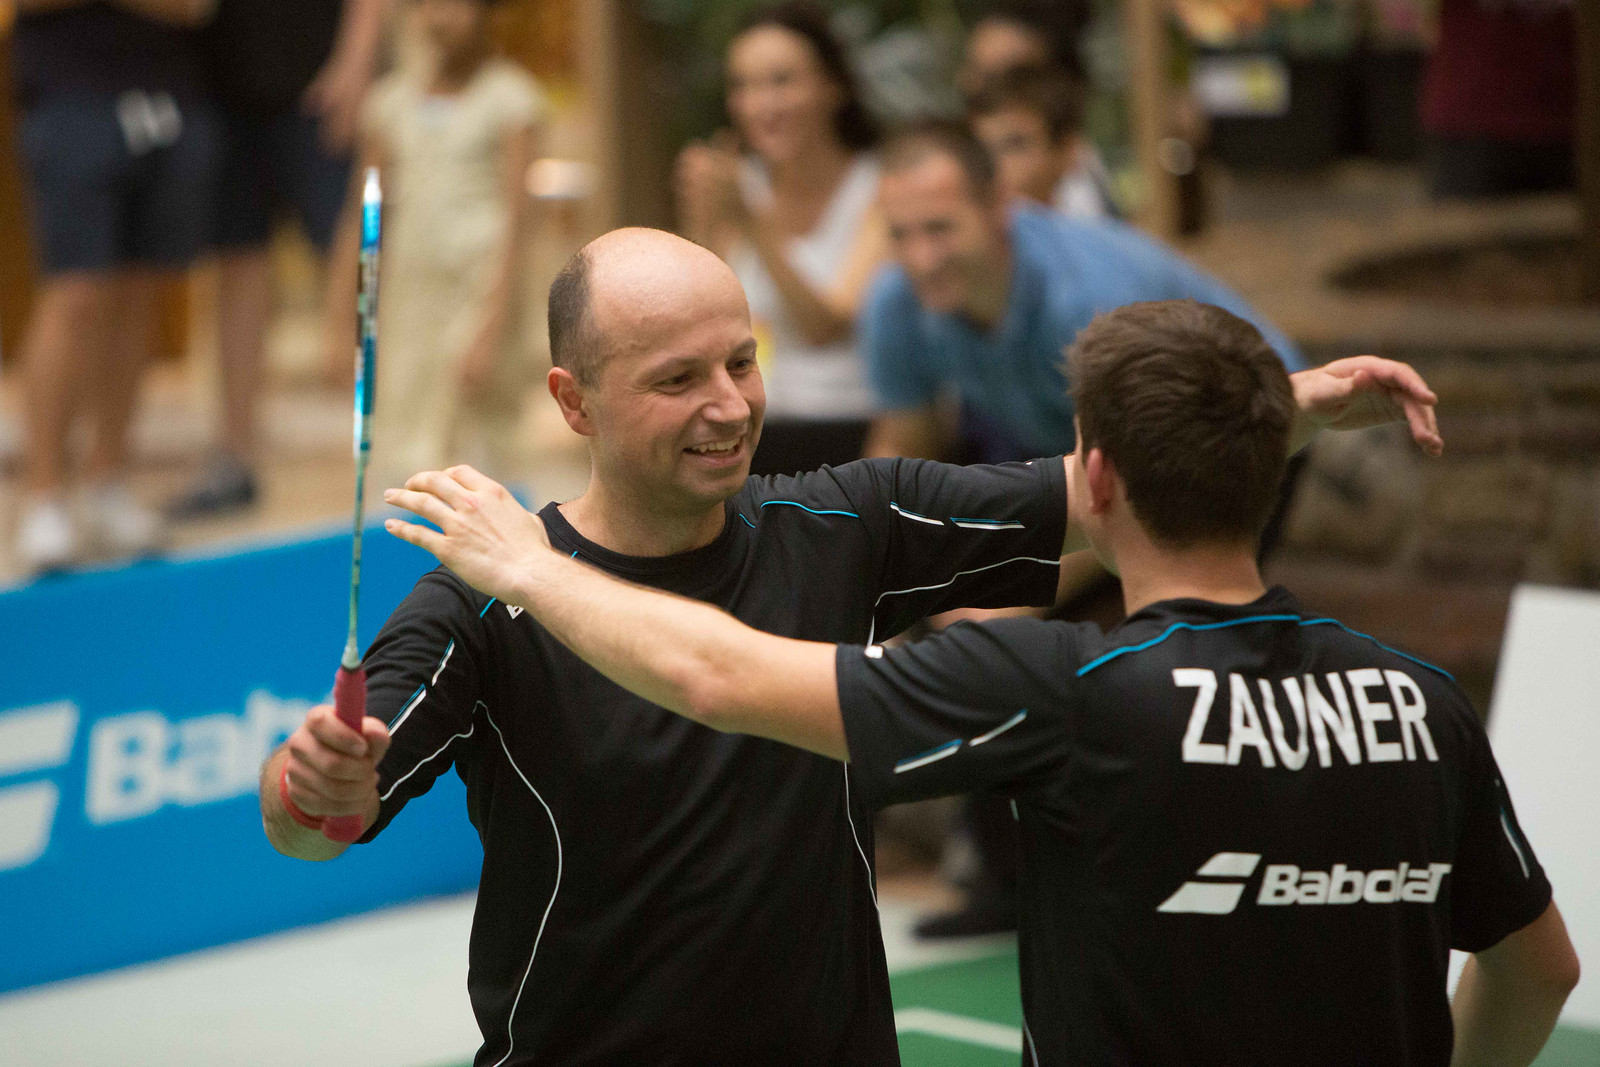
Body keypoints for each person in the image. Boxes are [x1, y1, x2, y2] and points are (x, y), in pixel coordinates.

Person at [260, 229, 1430, 1064]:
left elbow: (1098, 490)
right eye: (677, 380)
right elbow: (315, 822)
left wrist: (1291, 400)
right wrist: (311, 779)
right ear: (574, 403)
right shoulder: (482, 600)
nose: (731, 405)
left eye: (742, 360)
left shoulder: (845, 521)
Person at [863, 120, 1303, 464]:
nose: (920, 258)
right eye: (900, 234)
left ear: (999, 205)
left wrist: (1017, 582)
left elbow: (1139, 489)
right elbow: (903, 447)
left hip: (1257, 429)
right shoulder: (896, 300)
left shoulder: (1084, 300)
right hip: (1103, 451)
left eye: (940, 228)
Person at [10, 0, 220, 573]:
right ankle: (45, 496)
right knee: (74, 294)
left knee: (139, 294)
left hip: (166, 93)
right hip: (69, 94)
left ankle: (108, 481)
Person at [167, 0, 394, 518]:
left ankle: (398, 444)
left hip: (316, 77)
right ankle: (235, 455)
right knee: (236, 265)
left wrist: (355, 62)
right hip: (219, 85)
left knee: (357, 253)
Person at [675, 2, 889, 476]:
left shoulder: (882, 186)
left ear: (833, 87)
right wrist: (704, 220)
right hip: (747, 425)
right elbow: (692, 321)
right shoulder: (735, 185)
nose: (760, 105)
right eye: (743, 86)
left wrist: (754, 221)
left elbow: (826, 325)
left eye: (781, 81)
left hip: (853, 426)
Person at [342, 0, 545, 497]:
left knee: (476, 454)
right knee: (405, 449)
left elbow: (520, 220)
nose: (441, 17)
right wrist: (342, 315)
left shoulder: (510, 99)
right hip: (409, 302)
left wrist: (493, 320)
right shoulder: (389, 103)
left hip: (478, 292)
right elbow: (364, 216)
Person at [968, 64, 1116, 219]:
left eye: (1015, 145)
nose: (992, 164)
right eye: (979, 148)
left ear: (1068, 151)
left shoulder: (1104, 238)